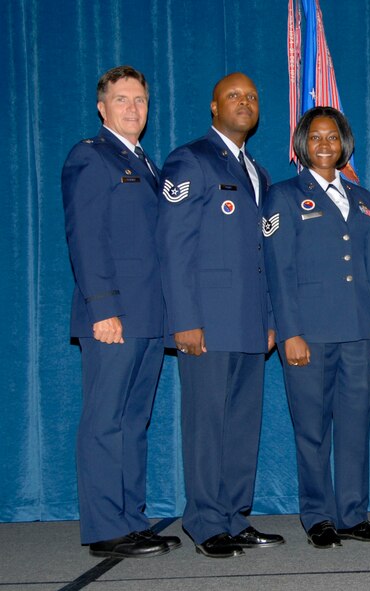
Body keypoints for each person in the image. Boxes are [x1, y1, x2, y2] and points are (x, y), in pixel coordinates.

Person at [157, 72, 284, 558]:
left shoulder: (258, 171)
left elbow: (262, 255)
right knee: (207, 424)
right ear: (214, 106)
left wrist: (271, 317)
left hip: (251, 324)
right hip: (206, 323)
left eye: (252, 96)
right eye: (234, 96)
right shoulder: (190, 160)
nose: (245, 102)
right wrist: (184, 320)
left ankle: (234, 515)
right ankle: (206, 521)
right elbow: (174, 246)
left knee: (242, 426)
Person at [263, 107, 370, 549]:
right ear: (302, 145)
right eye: (315, 137)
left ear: (344, 144)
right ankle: (318, 516)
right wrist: (289, 332)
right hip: (309, 336)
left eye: (332, 137)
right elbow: (278, 271)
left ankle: (353, 514)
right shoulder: (282, 196)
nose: (324, 144)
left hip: (359, 332)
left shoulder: (362, 199)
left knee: (356, 426)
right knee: (312, 430)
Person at [62, 65, 179, 559]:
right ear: (102, 106)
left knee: (134, 421)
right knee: (105, 420)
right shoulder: (91, 157)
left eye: (141, 100)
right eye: (124, 99)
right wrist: (102, 309)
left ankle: (132, 519)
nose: (134, 108)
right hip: (113, 317)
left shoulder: (146, 163)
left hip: (149, 317)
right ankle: (105, 527)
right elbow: (86, 239)